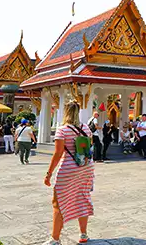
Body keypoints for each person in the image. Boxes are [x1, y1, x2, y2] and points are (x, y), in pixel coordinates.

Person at [44, 102, 94, 245]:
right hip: (86, 167)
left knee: (58, 202)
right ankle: (83, 234)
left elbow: (58, 153)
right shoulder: (86, 128)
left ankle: (55, 239)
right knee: (82, 198)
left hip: (69, 168)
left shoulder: (62, 130)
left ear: (65, 112)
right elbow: (87, 148)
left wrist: (49, 174)